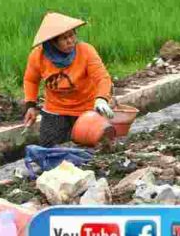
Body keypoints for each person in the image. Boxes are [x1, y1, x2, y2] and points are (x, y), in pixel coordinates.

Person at [23, 13, 115, 147]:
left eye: (72, 35)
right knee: (49, 148)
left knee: (90, 147)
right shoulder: (38, 56)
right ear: (52, 42)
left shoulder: (86, 51)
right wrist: (30, 106)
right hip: (55, 109)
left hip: (86, 108)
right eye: (64, 38)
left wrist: (101, 98)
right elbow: (30, 80)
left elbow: (102, 77)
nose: (70, 41)